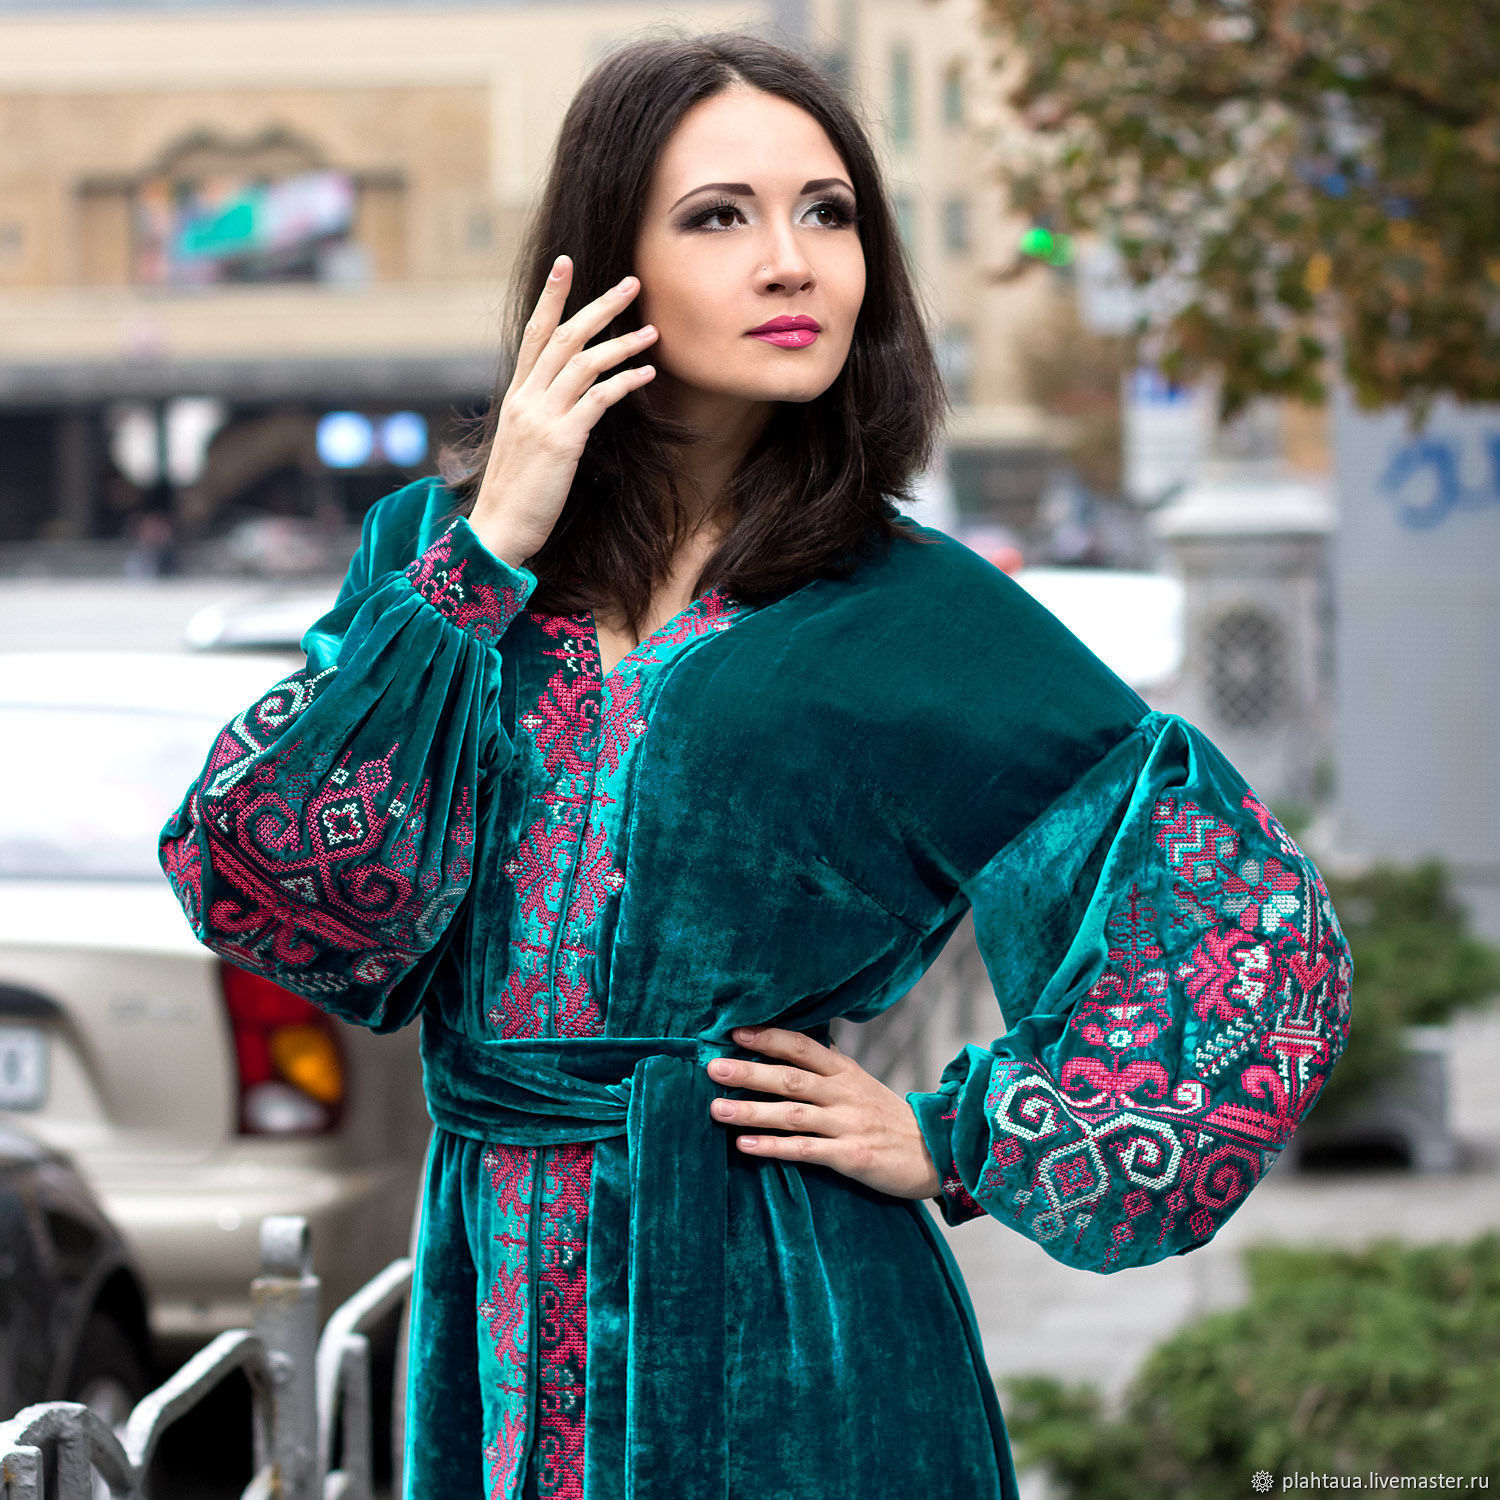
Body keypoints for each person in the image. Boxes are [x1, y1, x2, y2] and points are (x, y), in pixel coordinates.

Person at [158, 31, 1354, 1500]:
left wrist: (961, 1137)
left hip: (787, 1323)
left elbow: (1245, 930)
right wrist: (493, 547)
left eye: (828, 213)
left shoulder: (913, 613)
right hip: (491, 1299)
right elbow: (269, 882)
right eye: (720, 215)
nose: (793, 262)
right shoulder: (435, 559)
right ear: (606, 262)